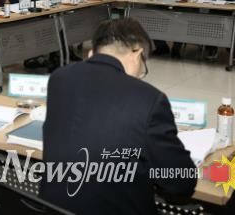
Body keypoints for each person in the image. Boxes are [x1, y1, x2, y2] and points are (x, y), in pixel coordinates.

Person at [40, 18, 196, 214]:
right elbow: (181, 183)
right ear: (137, 54)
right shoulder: (149, 99)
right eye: (143, 67)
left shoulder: (59, 78)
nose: (140, 74)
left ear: (93, 52)